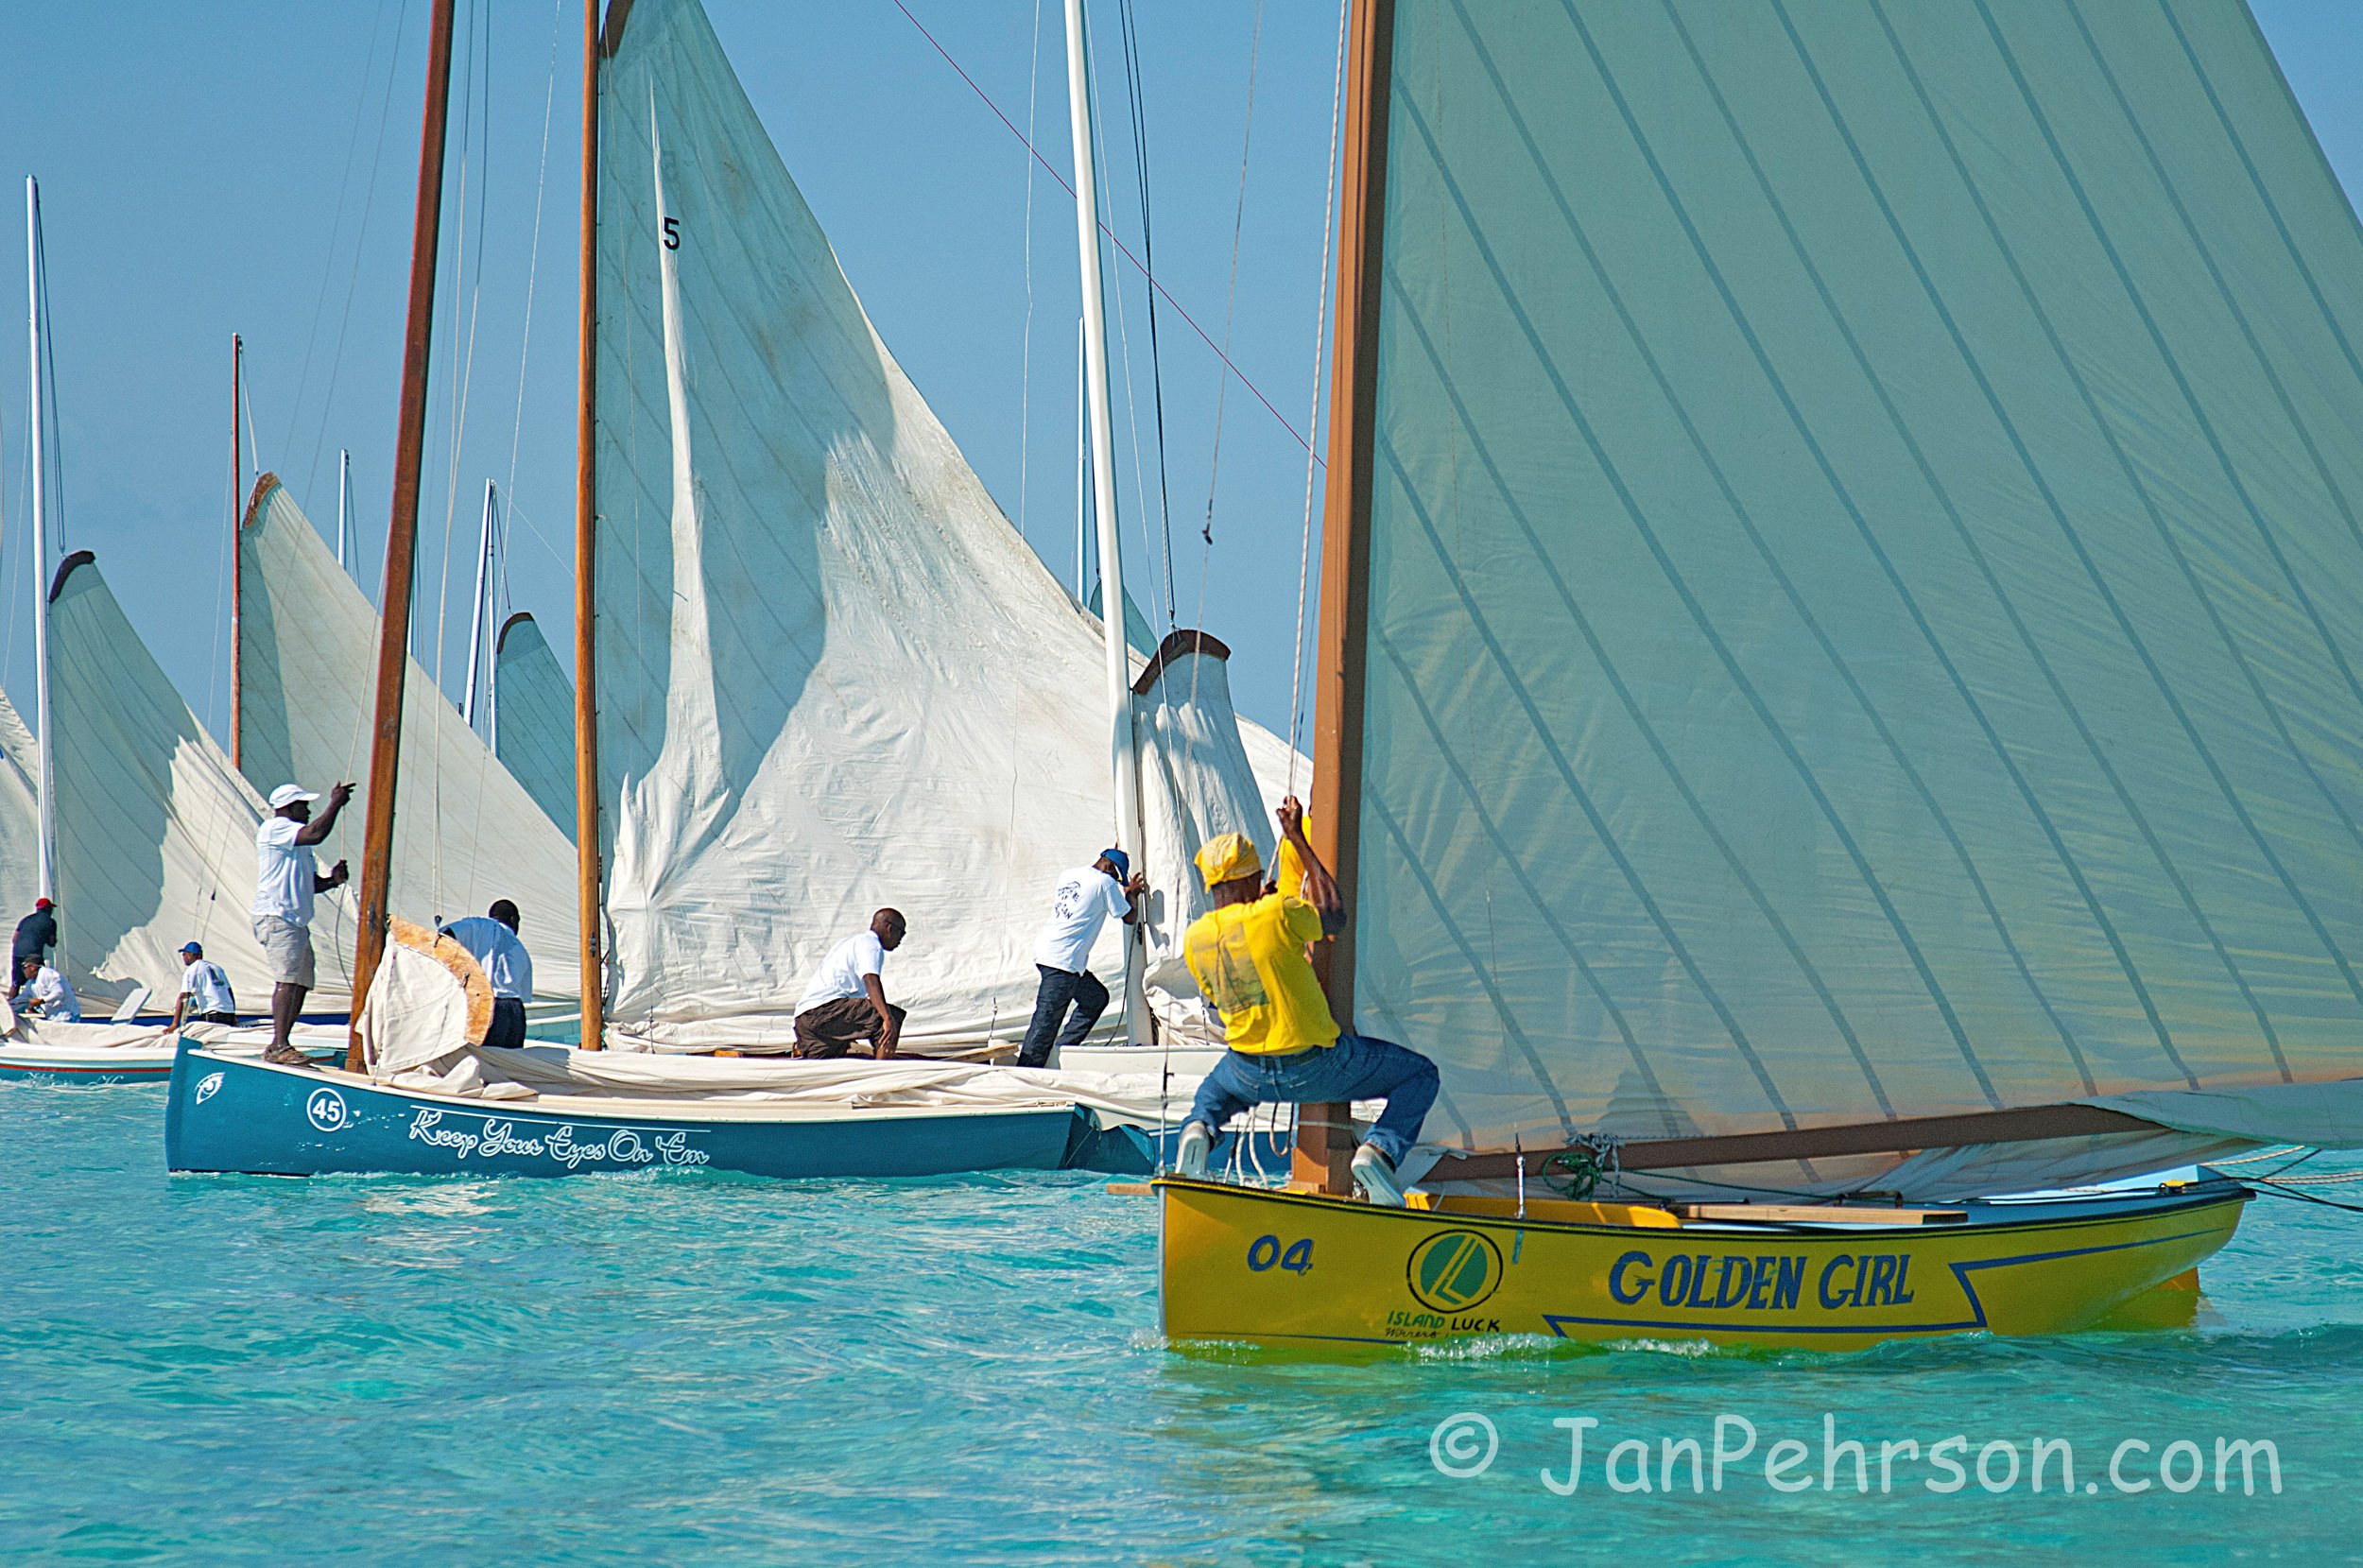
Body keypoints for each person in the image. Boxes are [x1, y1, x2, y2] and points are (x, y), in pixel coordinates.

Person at [1173, 798, 1440, 1206]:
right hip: (1314, 1066)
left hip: (1247, 1070)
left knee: (1213, 1093)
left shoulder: (1195, 938)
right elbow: (1333, 915)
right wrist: (1296, 836)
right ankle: (1378, 1153)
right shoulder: (1276, 912)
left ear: (1211, 884)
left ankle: (1199, 1130)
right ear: (1251, 879)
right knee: (1420, 1076)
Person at [252, 781, 353, 1066]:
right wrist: (335, 803)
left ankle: (280, 1044)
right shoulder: (276, 828)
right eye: (303, 805)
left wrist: (332, 880)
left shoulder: (297, 842)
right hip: (277, 916)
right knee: (287, 980)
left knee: (300, 982)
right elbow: (316, 833)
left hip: (293, 920)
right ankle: (279, 1045)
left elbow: (310, 883)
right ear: (287, 808)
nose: (308, 810)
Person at [1018, 848, 1147, 1068]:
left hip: (1049, 952)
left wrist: (1117, 886)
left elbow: (1090, 894)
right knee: (1046, 1021)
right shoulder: (1105, 883)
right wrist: (1131, 895)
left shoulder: (1069, 874)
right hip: (1063, 960)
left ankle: (1063, 1050)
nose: (1116, 881)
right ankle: (1026, 1072)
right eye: (1117, 876)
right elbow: (1129, 917)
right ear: (1108, 868)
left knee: (1095, 998)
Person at [791, 909, 907, 1060]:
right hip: (824, 1011)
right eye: (901, 933)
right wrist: (886, 1018)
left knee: (824, 1065)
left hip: (804, 1019)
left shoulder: (847, 943)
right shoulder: (871, 944)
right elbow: (870, 979)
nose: (901, 940)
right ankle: (882, 1075)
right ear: (890, 929)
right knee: (888, 1018)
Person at [440, 900, 533, 1051]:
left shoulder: (477, 926)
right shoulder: (521, 950)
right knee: (508, 1066)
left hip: (487, 1005)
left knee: (480, 1061)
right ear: (513, 920)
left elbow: (444, 937)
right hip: (515, 1012)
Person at [172, 941, 237, 1026]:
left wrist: (174, 1023)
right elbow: (229, 992)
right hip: (229, 1014)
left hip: (212, 1015)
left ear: (192, 955)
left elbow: (183, 997)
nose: (183, 957)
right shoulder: (217, 968)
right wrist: (233, 1013)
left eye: (185, 954)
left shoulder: (192, 970)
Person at [9, 897, 57, 1000]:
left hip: (17, 953)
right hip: (33, 955)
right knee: (40, 980)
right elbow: (51, 943)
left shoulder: (25, 919)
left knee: (15, 983)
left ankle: (11, 1007)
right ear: (48, 909)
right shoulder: (50, 922)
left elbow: (14, 939)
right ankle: (37, 1005)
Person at [16, 954, 79, 1023]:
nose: (23, 971)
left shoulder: (47, 973)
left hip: (67, 1017)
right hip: (54, 1018)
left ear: (32, 967)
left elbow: (59, 993)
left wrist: (40, 1001)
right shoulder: (31, 982)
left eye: (24, 967)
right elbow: (22, 998)